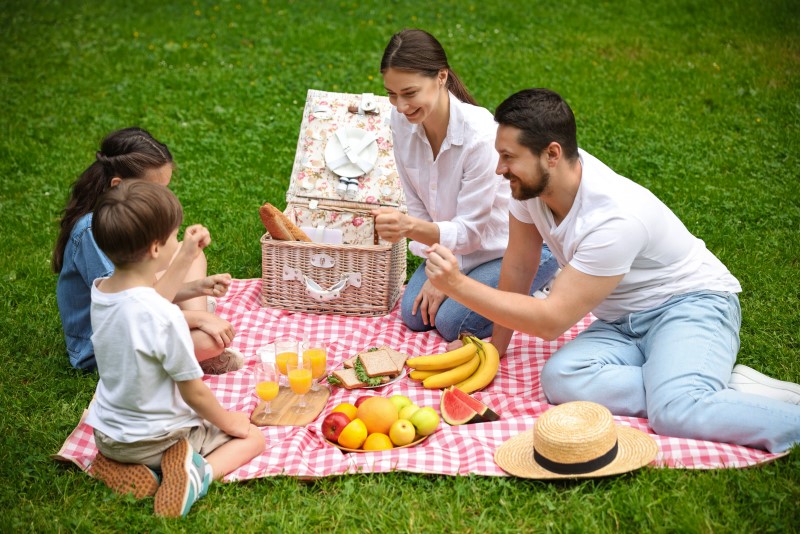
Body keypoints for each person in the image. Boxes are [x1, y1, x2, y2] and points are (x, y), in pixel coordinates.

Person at [424, 88, 800, 453]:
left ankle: (732, 403)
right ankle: (692, 380)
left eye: (509, 157)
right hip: (621, 322)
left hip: (691, 306)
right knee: (560, 379)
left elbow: (551, 321)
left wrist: (457, 285)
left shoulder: (613, 219)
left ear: (551, 154)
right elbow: (520, 265)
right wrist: (497, 349)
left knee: (674, 412)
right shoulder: (531, 187)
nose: (499, 168)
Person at [85, 181, 264, 517]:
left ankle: (118, 466)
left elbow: (149, 297)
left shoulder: (103, 292)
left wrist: (186, 257)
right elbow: (194, 393)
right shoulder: (165, 318)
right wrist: (231, 423)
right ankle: (195, 475)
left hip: (109, 436)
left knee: (133, 444)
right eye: (174, 235)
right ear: (155, 248)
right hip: (157, 439)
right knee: (253, 439)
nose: (177, 238)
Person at [371, 29, 559, 341]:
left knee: (451, 324)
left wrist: (445, 274)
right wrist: (440, 266)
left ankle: (538, 280)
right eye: (392, 94)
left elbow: (470, 231)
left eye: (409, 93)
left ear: (441, 77)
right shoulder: (400, 122)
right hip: (457, 246)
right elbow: (418, 207)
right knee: (414, 316)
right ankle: (483, 287)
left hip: (509, 248)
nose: (401, 106)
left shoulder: (480, 135)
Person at [52, 127, 242, 374]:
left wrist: (197, 287)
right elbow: (137, 312)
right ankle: (197, 343)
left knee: (192, 255)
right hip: (109, 348)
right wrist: (200, 319)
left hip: (141, 314)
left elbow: (147, 294)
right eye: (156, 190)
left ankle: (195, 337)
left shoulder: (122, 221)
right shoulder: (95, 233)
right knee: (210, 341)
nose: (164, 197)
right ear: (118, 185)